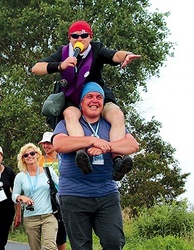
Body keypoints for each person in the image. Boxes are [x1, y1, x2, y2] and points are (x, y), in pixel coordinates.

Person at [31, 20, 141, 180]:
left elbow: (114, 55)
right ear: (69, 38)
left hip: (96, 96)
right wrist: (61, 66)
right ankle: (81, 154)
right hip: (74, 98)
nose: (80, 39)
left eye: (84, 35)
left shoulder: (96, 49)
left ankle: (117, 159)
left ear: (91, 36)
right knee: (69, 114)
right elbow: (36, 68)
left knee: (117, 115)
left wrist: (126, 55)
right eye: (75, 36)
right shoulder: (63, 52)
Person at [52, 82, 139, 249]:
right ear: (81, 103)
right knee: (82, 246)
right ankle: (81, 155)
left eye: (99, 97)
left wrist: (106, 146)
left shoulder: (111, 125)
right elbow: (59, 144)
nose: (94, 100)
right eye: (89, 97)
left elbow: (133, 145)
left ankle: (116, 162)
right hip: (74, 194)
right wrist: (91, 140)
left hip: (106, 193)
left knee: (114, 243)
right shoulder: (68, 123)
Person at [12, 143, 58, 250]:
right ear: (23, 159)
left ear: (37, 155)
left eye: (32, 153)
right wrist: (22, 197)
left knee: (50, 247)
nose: (30, 156)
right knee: (35, 248)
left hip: (49, 215)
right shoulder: (20, 176)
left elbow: (61, 185)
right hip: (31, 217)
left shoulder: (48, 171)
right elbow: (14, 195)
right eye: (26, 155)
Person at [38, 132, 66, 250]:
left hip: (61, 198)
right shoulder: (39, 160)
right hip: (46, 199)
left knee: (61, 235)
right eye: (44, 143)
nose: (46, 146)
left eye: (48, 143)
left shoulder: (62, 158)